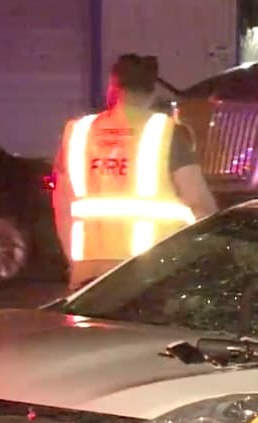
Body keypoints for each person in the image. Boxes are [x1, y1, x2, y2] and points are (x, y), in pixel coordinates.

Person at [52, 54, 218, 290]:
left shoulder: (79, 133)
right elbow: (201, 206)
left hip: (89, 276)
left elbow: (62, 204)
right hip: (147, 276)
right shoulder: (166, 133)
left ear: (112, 87)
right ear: (153, 93)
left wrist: (75, 263)